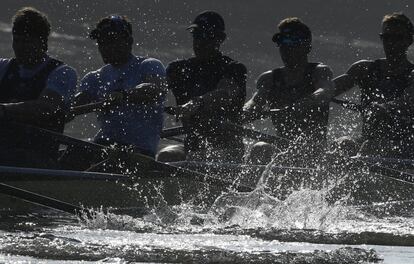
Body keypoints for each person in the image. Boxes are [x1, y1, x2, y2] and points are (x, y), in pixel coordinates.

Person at [157, 11, 247, 163]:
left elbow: (224, 93)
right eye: (197, 35)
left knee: (201, 157)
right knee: (166, 156)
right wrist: (129, 95)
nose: (200, 42)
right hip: (192, 147)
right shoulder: (177, 69)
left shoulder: (234, 68)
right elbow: (156, 90)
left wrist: (196, 103)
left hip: (228, 149)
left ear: (220, 39)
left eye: (207, 35)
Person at [73, 15, 166, 161]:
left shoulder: (148, 65)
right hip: (104, 145)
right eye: (101, 42)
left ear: (129, 41)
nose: (104, 47)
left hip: (139, 151)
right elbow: (73, 106)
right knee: (74, 151)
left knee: (107, 158)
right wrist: (60, 110)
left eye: (111, 41)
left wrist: (124, 95)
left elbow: (154, 90)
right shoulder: (94, 78)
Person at [243, 17, 334, 164]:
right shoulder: (269, 79)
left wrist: (304, 103)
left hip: (314, 154)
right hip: (281, 152)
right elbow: (254, 102)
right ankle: (247, 186)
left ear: (307, 47)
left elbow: (325, 91)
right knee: (259, 148)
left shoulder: (319, 71)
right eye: (282, 42)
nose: (287, 47)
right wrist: (244, 113)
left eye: (293, 42)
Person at [0, 7, 77, 168]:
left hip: (37, 157)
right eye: (17, 40)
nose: (20, 47)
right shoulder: (3, 67)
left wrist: (4, 110)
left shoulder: (63, 73)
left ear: (43, 43)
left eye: (27, 41)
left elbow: (45, 108)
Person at [333, 13, 414, 158]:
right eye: (387, 38)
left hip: (405, 147)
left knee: (370, 147)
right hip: (369, 143)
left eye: (398, 38)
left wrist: (384, 107)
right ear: (382, 39)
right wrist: (315, 95)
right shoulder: (364, 69)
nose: (391, 43)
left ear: (409, 40)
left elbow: (407, 101)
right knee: (342, 144)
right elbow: (328, 90)